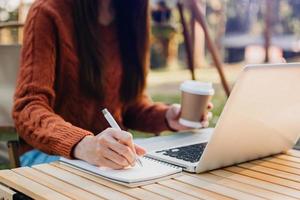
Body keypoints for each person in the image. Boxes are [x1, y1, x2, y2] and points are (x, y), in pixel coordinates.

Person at [13, 0, 213, 168]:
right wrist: (83, 144)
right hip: (46, 155)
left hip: (109, 158)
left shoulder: (132, 13)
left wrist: (168, 117)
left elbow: (130, 104)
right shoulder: (48, 11)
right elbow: (27, 108)